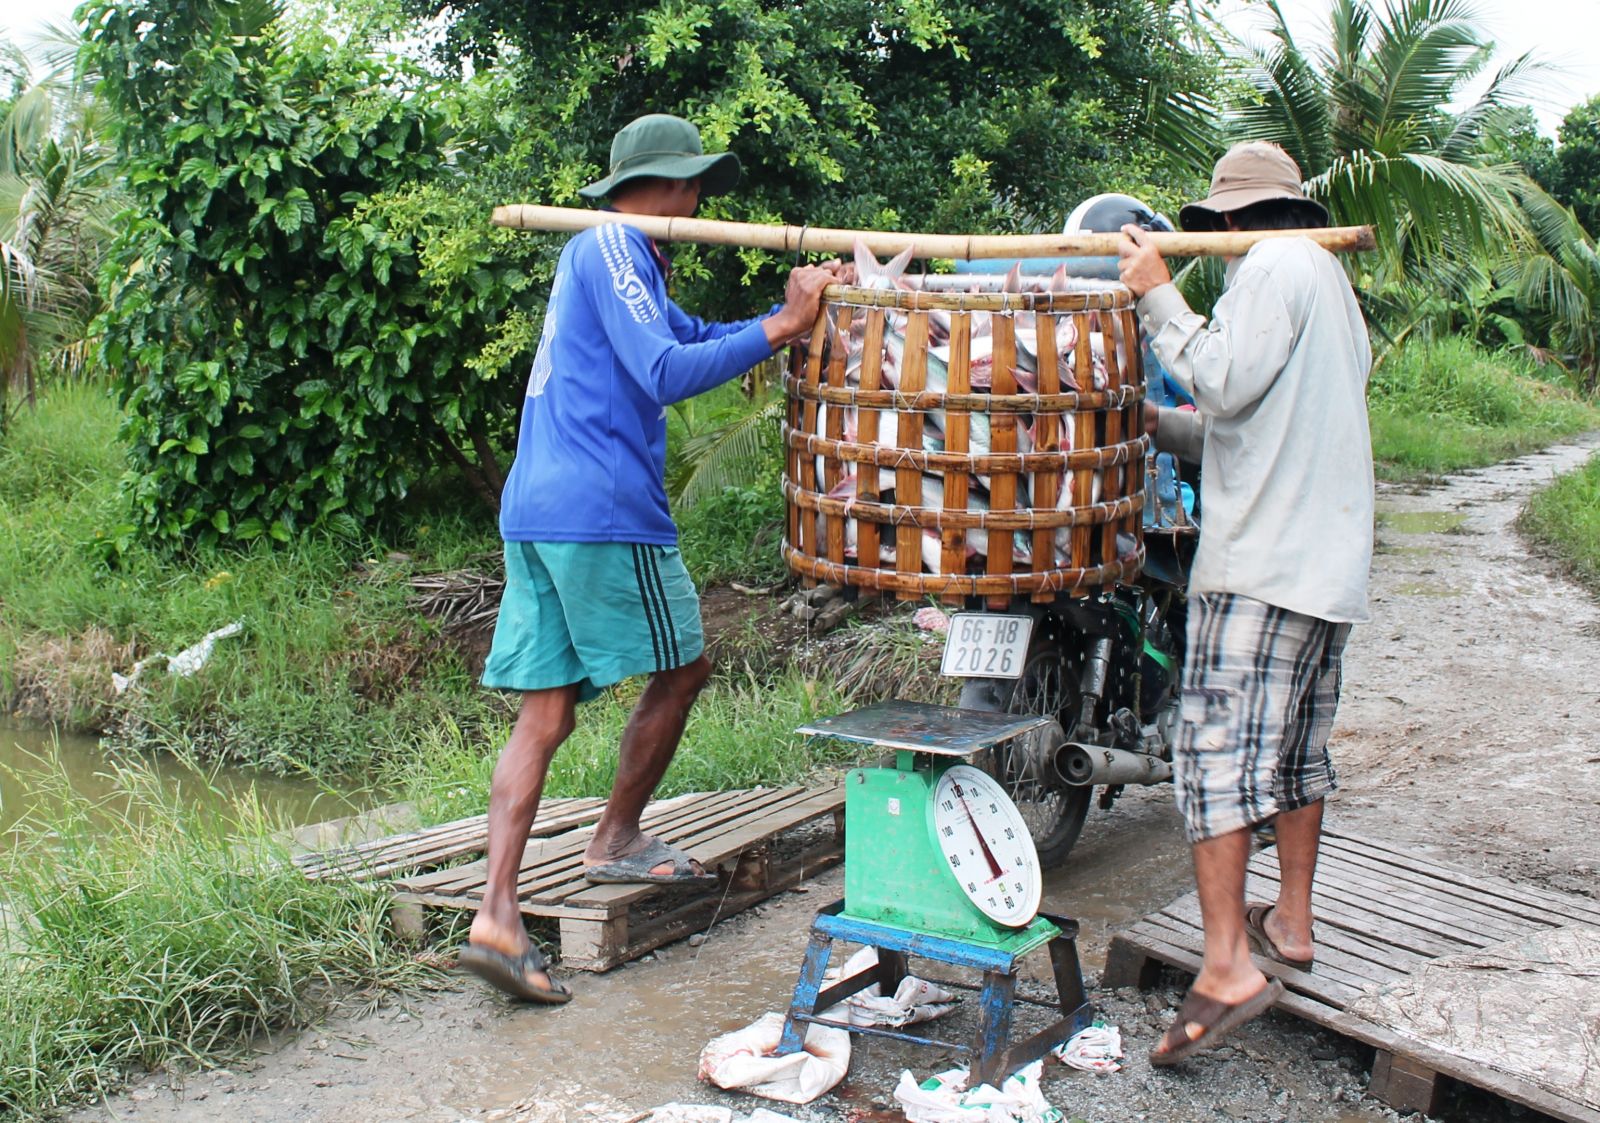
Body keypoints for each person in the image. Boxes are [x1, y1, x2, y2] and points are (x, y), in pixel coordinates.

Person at [459, 113, 845, 1004]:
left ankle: (497, 913)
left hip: (537, 508)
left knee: (545, 712)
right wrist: (785, 325)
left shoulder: (618, 258)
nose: (703, 197)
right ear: (676, 185)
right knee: (685, 667)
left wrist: (783, 319)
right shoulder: (614, 248)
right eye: (696, 181)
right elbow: (669, 371)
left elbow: (697, 334)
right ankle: (617, 837)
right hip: (601, 512)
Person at [1115, 141, 1374, 1064]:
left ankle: (1226, 963)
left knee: (1213, 756)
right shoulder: (1331, 284)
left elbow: (1219, 380)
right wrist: (1154, 423)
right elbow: (1248, 422)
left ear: (1227, 224)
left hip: (1260, 566)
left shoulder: (1269, 269)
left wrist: (1155, 289)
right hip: (1324, 564)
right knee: (1297, 753)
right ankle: (1290, 922)